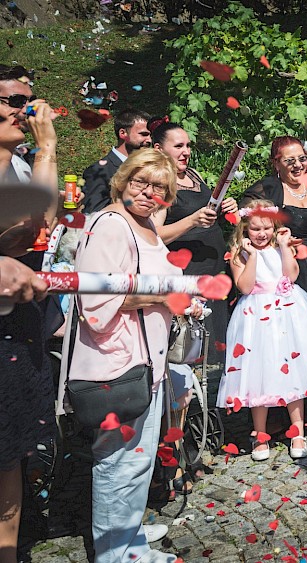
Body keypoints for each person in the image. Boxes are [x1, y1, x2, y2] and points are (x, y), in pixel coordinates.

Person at [68, 148, 184, 563]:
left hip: (145, 360)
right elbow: (95, 300)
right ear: (124, 180)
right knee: (118, 463)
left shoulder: (144, 226)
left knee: (136, 462)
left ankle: (128, 533)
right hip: (115, 362)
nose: (150, 192)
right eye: (142, 182)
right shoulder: (110, 224)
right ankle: (115, 553)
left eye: (160, 187)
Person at [216, 200, 307, 461]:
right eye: (255, 229)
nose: (261, 234)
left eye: (266, 228)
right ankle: (259, 433)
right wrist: (251, 255)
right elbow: (245, 287)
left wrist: (285, 247)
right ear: (245, 229)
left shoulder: (279, 247)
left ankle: (297, 431)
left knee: (292, 369)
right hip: (255, 316)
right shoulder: (239, 253)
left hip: (288, 312)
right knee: (258, 372)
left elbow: (292, 275)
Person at [242, 136, 307, 433]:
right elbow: (248, 218)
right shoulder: (270, 188)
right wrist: (275, 240)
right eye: (290, 161)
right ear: (277, 164)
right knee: (286, 343)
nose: (298, 165)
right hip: (287, 274)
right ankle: (281, 418)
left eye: (302, 158)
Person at [0, 64, 59, 563]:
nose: (27, 110)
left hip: (14, 325)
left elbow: (38, 224)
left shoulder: (17, 164)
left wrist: (46, 151)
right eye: (15, 101)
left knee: (11, 450)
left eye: (30, 100)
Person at [150, 122, 237, 362]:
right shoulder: (159, 182)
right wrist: (191, 221)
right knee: (190, 350)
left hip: (214, 271)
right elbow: (154, 234)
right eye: (178, 146)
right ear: (158, 149)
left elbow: (204, 213)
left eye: (188, 145)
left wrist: (224, 208)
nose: (186, 151)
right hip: (187, 273)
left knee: (217, 347)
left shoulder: (193, 175)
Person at [82, 108, 152, 214]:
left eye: (150, 135)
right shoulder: (99, 171)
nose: (149, 140)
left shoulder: (149, 167)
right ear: (123, 133)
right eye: (143, 134)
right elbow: (94, 213)